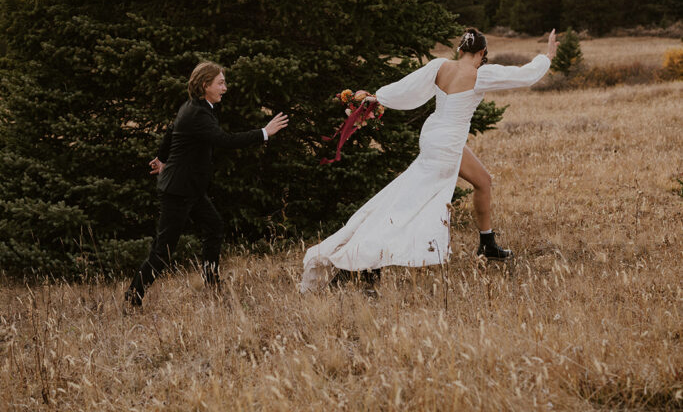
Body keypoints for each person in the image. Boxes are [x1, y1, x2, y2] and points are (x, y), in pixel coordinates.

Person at [300, 28, 557, 292]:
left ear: (460, 50)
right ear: (481, 53)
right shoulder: (481, 75)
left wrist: (378, 97)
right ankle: (359, 267)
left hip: (437, 137)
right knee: (407, 208)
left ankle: (487, 243)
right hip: (446, 147)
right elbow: (524, 75)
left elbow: (406, 88)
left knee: (483, 180)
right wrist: (547, 56)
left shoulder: (440, 66)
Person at [125, 61, 288, 308]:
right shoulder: (198, 113)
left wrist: (162, 158)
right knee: (162, 253)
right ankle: (132, 297)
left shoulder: (197, 107)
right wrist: (264, 132)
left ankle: (211, 283)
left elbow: (171, 131)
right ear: (205, 85)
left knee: (214, 226)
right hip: (178, 192)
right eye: (220, 83)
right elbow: (224, 140)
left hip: (190, 189)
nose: (225, 87)